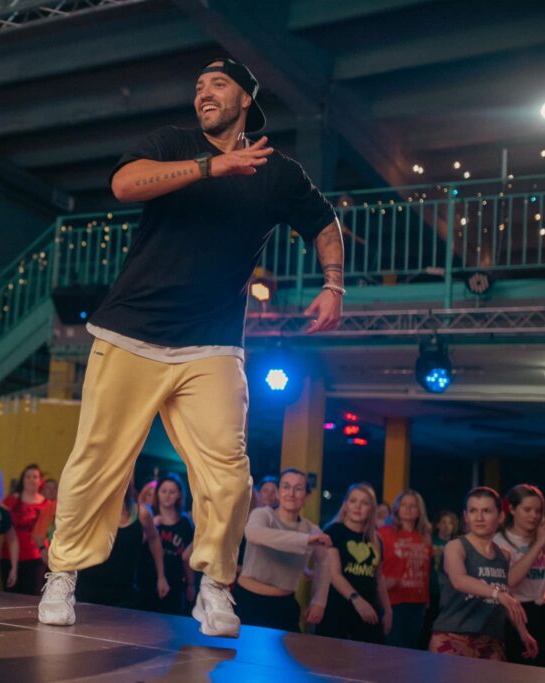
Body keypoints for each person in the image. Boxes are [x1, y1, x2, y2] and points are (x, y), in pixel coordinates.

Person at [38, 57, 343, 639]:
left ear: (246, 99)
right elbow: (124, 184)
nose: (204, 93)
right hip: (131, 330)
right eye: (199, 86)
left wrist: (334, 284)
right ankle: (63, 573)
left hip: (212, 343)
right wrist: (210, 165)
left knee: (230, 474)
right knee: (97, 460)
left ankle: (215, 586)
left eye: (218, 84)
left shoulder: (277, 172)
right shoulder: (172, 143)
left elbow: (324, 221)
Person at [430, 487, 537, 662]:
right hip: (454, 636)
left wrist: (523, 633)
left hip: (491, 640)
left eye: (486, 511)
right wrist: (498, 594)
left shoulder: (504, 555)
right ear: (466, 516)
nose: (479, 518)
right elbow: (459, 580)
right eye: (473, 511)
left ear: (500, 516)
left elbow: (505, 599)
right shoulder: (456, 546)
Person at [236, 468, 332, 632]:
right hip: (248, 601)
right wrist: (305, 540)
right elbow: (254, 534)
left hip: (285, 605)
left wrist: (319, 601)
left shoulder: (311, 529)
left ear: (307, 496)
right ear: (278, 493)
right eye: (286, 487)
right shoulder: (263, 514)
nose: (291, 493)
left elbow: (324, 561)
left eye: (298, 488)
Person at [493, 484, 545, 668]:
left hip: (541, 611)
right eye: (527, 510)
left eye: (538, 511)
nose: (534, 515)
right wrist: (538, 544)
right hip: (514, 614)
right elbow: (509, 581)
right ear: (512, 509)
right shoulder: (499, 541)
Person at [317, 483, 391, 644]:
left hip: (369, 611)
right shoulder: (333, 531)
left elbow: (379, 578)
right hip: (338, 608)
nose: (358, 506)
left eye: (364, 503)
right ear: (345, 506)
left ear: (372, 509)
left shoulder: (376, 539)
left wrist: (387, 610)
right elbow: (334, 574)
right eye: (353, 501)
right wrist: (357, 600)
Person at [76, 486, 170, 609]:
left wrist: (161, 576)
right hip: (89, 592)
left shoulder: (141, 513)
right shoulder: (93, 511)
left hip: (124, 594)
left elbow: (154, 538)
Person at [380, 489, 432, 648]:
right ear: (397, 508)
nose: (408, 509)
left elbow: (426, 570)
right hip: (391, 600)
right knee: (393, 649)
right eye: (404, 505)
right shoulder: (383, 533)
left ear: (419, 510)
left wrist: (426, 598)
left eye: (413, 506)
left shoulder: (424, 537)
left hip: (417, 602)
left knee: (411, 649)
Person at [141, 474, 195, 615]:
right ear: (157, 493)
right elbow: (135, 545)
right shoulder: (148, 516)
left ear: (179, 495)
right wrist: (152, 526)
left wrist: (191, 584)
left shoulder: (185, 522)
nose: (167, 496)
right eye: (164, 491)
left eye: (172, 492)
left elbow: (189, 556)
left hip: (175, 582)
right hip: (147, 579)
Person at [0, 464, 55, 595]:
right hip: (9, 555)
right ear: (22, 480)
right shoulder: (10, 500)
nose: (31, 480)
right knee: (9, 595)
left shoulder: (47, 505)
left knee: (32, 595)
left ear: (40, 481)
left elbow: (51, 532)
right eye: (28, 477)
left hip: (36, 557)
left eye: (35, 477)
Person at [420, 509, 459, 646]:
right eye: (443, 522)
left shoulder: (457, 545)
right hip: (431, 589)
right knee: (427, 624)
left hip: (449, 592)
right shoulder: (430, 541)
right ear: (437, 525)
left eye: (450, 523)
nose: (447, 526)